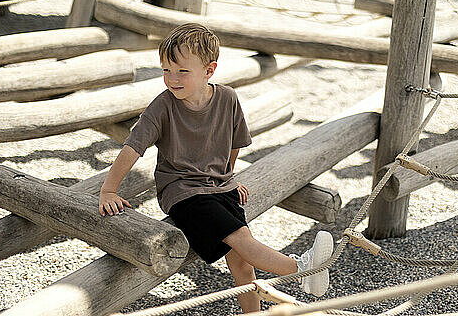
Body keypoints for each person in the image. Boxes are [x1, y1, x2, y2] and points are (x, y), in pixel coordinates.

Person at [98, 23, 333, 313]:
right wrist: (109, 189)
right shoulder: (163, 106)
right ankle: (301, 269)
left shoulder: (227, 98)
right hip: (183, 193)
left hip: (219, 186)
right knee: (237, 238)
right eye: (165, 70)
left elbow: (235, 141)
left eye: (182, 71)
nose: (172, 79)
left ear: (209, 71)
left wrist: (228, 176)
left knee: (242, 263)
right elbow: (133, 147)